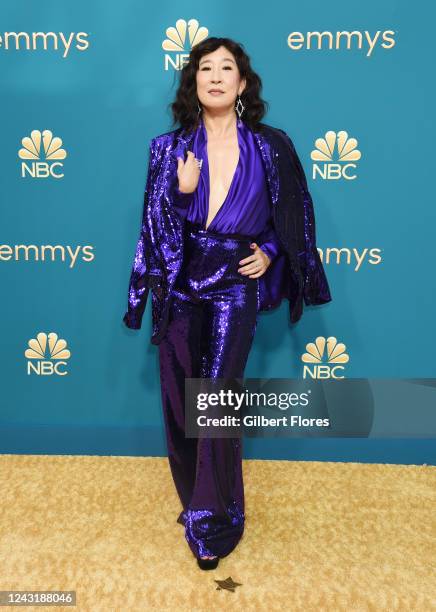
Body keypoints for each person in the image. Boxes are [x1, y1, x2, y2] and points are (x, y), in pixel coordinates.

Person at [123, 37, 332, 570]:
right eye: (205, 69)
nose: (215, 76)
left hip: (232, 285)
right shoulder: (166, 149)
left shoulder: (272, 145)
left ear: (242, 83)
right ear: (193, 83)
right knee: (179, 401)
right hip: (181, 284)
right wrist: (181, 190)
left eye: (227, 68)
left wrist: (270, 252)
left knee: (215, 400)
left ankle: (215, 522)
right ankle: (197, 500)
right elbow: (154, 228)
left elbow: (294, 213)